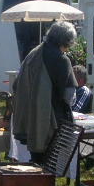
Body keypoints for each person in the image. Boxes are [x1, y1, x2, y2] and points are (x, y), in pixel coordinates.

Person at [11, 21, 77, 165]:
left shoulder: (33, 53)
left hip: (28, 116)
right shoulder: (61, 60)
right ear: (67, 40)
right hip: (50, 120)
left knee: (36, 158)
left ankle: (36, 182)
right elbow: (68, 95)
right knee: (49, 161)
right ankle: (45, 184)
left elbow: (16, 85)